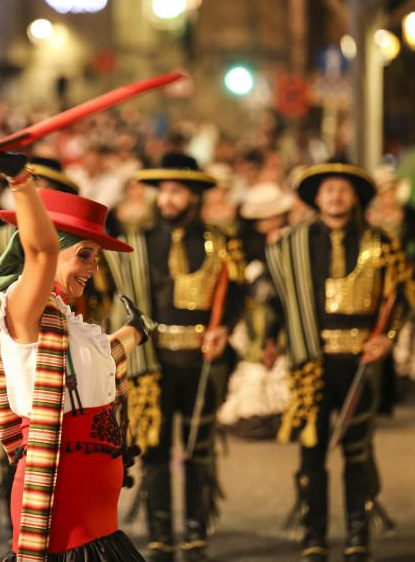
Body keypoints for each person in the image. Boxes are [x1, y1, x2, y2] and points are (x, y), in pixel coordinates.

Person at [0, 141, 147, 562]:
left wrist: (138, 331)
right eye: (84, 254)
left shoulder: (71, 322)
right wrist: (20, 180)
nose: (93, 267)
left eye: (96, 258)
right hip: (59, 513)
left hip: (102, 520)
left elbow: (103, 361)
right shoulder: (24, 308)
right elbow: (41, 252)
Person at [106, 152, 245, 562]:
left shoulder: (222, 242)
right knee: (155, 450)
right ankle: (160, 535)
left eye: (177, 191)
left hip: (203, 358)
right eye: (163, 191)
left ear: (194, 196)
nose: (167, 199)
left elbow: (236, 294)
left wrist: (225, 327)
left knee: (200, 450)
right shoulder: (138, 240)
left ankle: (196, 532)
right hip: (153, 362)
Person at [266, 162, 408, 562]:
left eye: (342, 189)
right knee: (311, 451)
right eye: (328, 189)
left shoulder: (381, 244)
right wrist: (271, 339)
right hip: (311, 359)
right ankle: (314, 533)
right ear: (317, 198)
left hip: (360, 361)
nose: (335, 196)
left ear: (355, 197)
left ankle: (357, 533)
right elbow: (279, 300)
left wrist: (387, 337)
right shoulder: (290, 245)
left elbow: (400, 300)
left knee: (357, 450)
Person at [218, 182, 293, 439]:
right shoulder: (243, 245)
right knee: (253, 362)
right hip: (251, 317)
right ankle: (254, 417)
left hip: (283, 316)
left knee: (281, 364)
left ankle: (282, 416)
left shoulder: (290, 242)